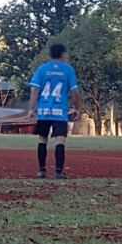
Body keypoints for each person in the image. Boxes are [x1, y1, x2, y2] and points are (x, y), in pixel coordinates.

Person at [28, 43, 80, 180]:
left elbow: (35, 90)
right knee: (60, 140)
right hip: (60, 112)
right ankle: (58, 172)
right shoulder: (68, 70)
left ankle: (42, 171)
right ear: (63, 55)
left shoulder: (42, 69)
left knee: (42, 139)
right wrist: (77, 108)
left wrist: (32, 109)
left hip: (44, 110)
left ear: (49, 55)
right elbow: (74, 91)